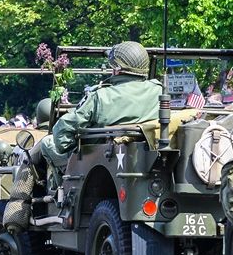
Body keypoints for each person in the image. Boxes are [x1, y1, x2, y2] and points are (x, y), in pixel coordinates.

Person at [36, 41, 161, 175]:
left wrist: (69, 142)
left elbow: (63, 134)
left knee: (47, 142)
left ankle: (60, 191)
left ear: (117, 69)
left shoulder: (100, 96)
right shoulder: (159, 91)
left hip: (98, 158)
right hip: (147, 155)